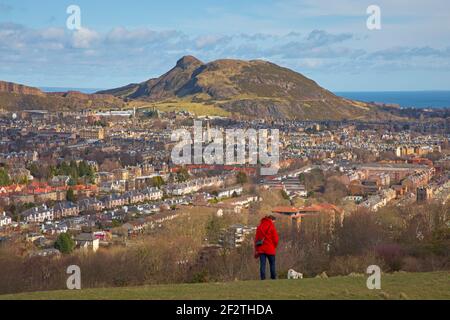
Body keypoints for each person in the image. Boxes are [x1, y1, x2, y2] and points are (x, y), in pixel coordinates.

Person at [254, 215, 279, 280]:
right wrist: (274, 246)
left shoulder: (259, 227)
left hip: (261, 249)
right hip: (270, 248)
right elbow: (276, 239)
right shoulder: (272, 227)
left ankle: (263, 278)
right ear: (271, 220)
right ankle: (273, 278)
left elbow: (256, 239)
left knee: (262, 264)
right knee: (272, 264)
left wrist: (256, 249)